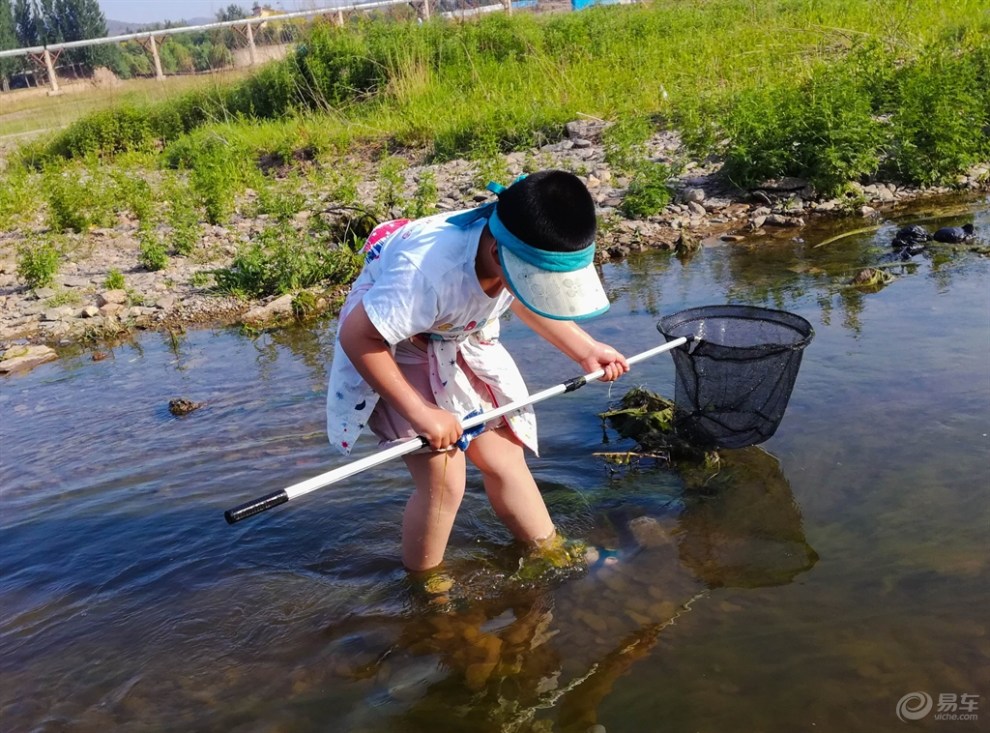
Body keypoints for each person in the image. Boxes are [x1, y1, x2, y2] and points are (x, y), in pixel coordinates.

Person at [326, 170, 629, 572]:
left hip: (455, 336)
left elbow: (524, 298)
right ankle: (426, 584)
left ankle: (550, 548)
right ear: (495, 253)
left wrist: (586, 349)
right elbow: (359, 337)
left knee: (505, 456)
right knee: (444, 479)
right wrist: (422, 412)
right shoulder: (429, 272)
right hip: (392, 346)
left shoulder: (510, 251)